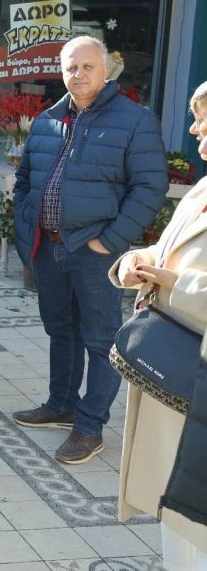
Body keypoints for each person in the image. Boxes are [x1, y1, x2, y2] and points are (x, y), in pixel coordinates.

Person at [12, 35, 167, 465]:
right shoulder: (47, 120)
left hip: (95, 250)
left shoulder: (134, 120)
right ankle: (60, 403)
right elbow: (24, 180)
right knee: (60, 329)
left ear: (105, 72)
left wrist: (110, 242)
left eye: (86, 67)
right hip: (50, 248)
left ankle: (89, 425)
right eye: (69, 67)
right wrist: (29, 226)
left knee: (100, 341)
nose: (77, 74)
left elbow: (150, 187)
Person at [109, 81, 207, 568]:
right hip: (179, 378)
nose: (193, 127)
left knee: (195, 518)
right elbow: (166, 247)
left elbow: (181, 274)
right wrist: (136, 260)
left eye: (203, 115)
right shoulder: (203, 189)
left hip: (199, 385)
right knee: (176, 520)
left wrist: (173, 283)